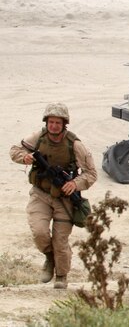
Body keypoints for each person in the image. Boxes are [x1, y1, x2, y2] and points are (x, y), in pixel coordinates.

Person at [9, 103, 98, 289]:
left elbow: (91, 173)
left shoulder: (74, 144)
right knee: (40, 232)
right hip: (40, 194)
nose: (54, 126)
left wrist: (74, 183)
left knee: (60, 241)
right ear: (46, 122)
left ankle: (61, 276)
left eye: (58, 122)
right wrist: (24, 158)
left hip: (64, 200)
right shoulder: (38, 138)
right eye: (51, 122)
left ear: (64, 124)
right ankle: (49, 257)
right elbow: (14, 151)